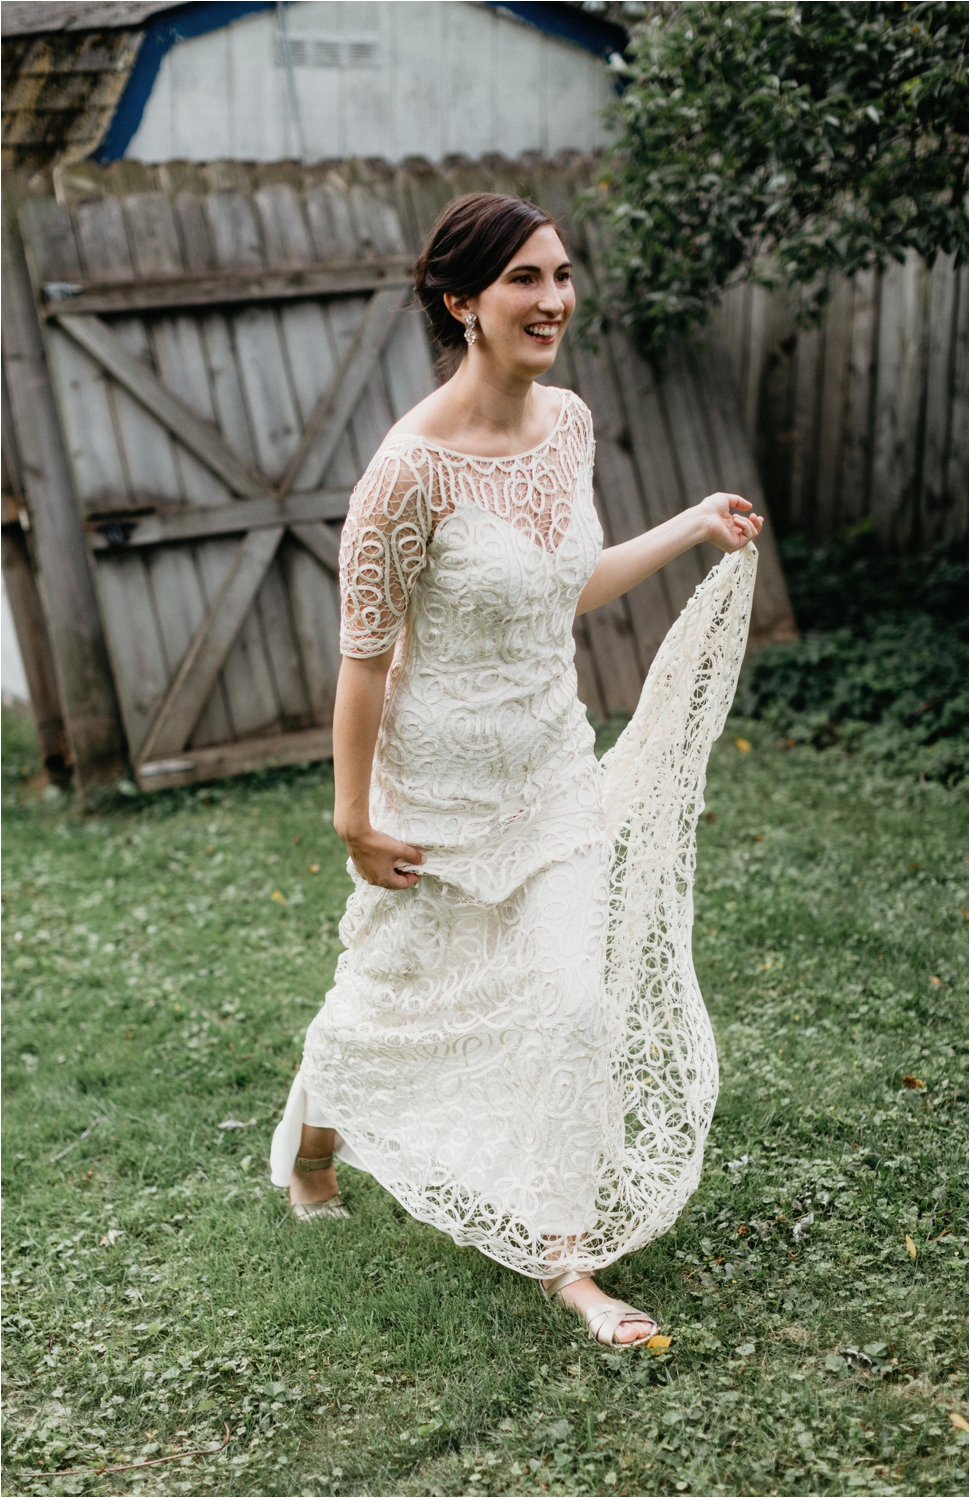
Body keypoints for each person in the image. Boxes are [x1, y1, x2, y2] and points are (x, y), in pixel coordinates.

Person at [271, 193, 762, 1347]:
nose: (554, 300)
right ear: (462, 305)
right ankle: (311, 1142)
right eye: (524, 282)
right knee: (382, 1010)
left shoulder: (571, 427)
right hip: (432, 794)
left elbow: (564, 581)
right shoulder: (405, 475)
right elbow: (363, 658)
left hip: (548, 772)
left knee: (572, 1005)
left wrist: (689, 525)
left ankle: (566, 1261)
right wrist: (354, 819)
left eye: (561, 274)